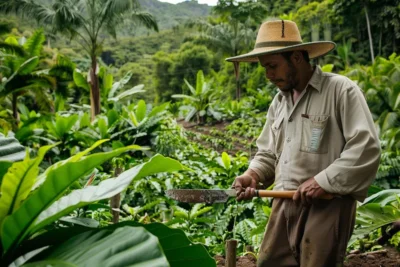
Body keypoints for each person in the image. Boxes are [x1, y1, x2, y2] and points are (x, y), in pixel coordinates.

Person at [226, 20, 381, 267]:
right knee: (268, 262)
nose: (268, 75)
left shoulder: (340, 90)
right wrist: (252, 174)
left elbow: (365, 147)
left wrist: (322, 181)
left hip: (327, 206)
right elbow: (268, 152)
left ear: (297, 57)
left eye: (273, 66)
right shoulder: (279, 102)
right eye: (265, 68)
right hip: (284, 201)